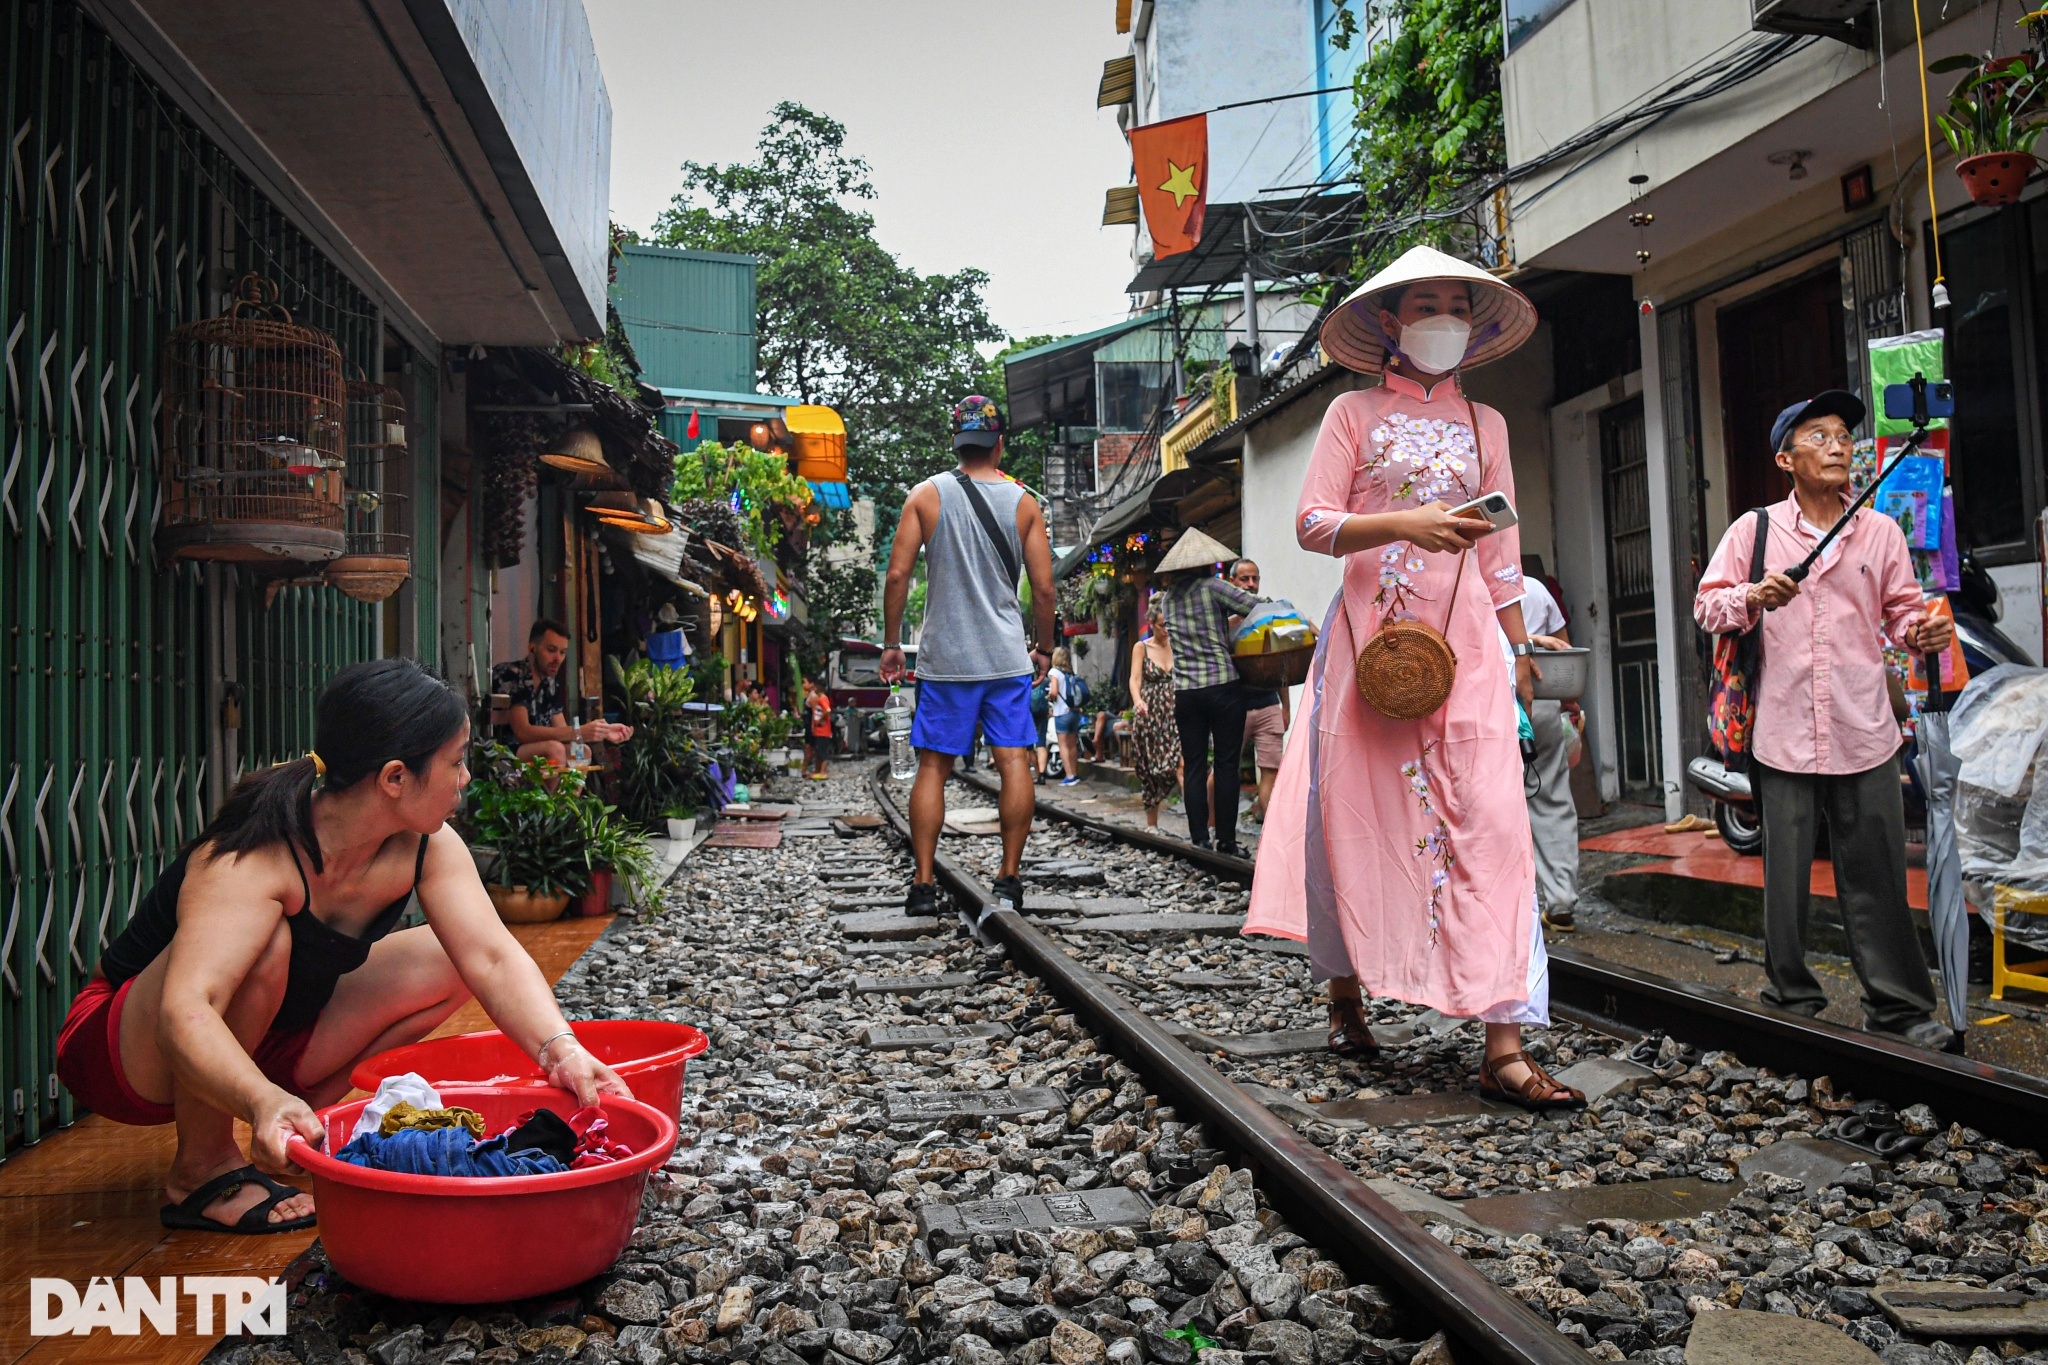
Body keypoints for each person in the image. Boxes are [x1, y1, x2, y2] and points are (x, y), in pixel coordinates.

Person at [52, 659, 630, 1233]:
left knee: (449, 958)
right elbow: (186, 1010)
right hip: (121, 1048)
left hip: (274, 1031)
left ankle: (306, 1116)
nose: (465, 779)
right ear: (395, 778)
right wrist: (257, 1100)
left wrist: (562, 1050)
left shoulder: (424, 844)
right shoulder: (255, 856)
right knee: (268, 945)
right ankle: (201, 1169)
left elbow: (492, 956)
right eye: (456, 762)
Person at [1243, 245, 1585, 1110]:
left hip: (1467, 648)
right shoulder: (1350, 414)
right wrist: (1408, 521)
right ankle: (1347, 989)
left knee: (1497, 825)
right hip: (1368, 649)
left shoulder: (1489, 427)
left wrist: (1521, 650)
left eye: (1458, 305)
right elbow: (1314, 522)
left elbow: (1502, 550)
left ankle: (1503, 1044)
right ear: (1390, 322)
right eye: (1425, 303)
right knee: (1352, 822)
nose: (1444, 318)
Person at [1694, 390, 1956, 1051]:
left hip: (1863, 726)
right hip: (1781, 731)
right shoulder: (1754, 531)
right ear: (1786, 458)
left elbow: (1900, 613)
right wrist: (1753, 595)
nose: (1838, 446)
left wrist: (1922, 630)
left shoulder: (1880, 531)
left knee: (1878, 876)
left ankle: (1897, 1008)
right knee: (1785, 880)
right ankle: (1791, 999)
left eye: (1844, 435)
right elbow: (1708, 607)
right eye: (1820, 437)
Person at [881, 395, 1055, 917]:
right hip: (1005, 658)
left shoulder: (926, 496)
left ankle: (923, 883)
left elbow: (897, 576)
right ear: (1000, 441)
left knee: (933, 767)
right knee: (1013, 761)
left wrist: (893, 643)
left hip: (946, 659)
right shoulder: (1024, 502)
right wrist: (1045, 648)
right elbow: (1044, 591)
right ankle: (1009, 879)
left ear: (955, 442)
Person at [1152, 528, 1263, 856]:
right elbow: (1254, 607)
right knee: (1227, 764)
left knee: (1196, 764)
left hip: (1186, 693)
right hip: (1222, 686)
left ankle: (1199, 837)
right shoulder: (1214, 588)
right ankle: (1226, 841)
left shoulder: (1167, 601)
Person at [1519, 573, 1581, 932]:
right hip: (1541, 705)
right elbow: (1565, 656)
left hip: (1489, 705)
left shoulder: (1470, 587)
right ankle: (1560, 900)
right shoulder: (1537, 589)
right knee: (1552, 798)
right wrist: (1571, 706)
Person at [493, 619, 630, 764]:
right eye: (551, 650)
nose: (557, 659)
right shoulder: (511, 674)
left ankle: (563, 788)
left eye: (562, 652)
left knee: (581, 752)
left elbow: (563, 730)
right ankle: (551, 788)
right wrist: (580, 731)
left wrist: (603, 731)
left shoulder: (550, 684)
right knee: (555, 749)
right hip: (505, 751)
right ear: (533, 648)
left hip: (537, 752)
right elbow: (523, 732)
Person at [1229, 559, 1291, 825]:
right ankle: (1210, 828)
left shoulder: (1270, 619)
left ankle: (1269, 838)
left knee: (1271, 773)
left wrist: (1285, 706)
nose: (1251, 584)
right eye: (1245, 579)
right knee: (1223, 769)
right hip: (1233, 708)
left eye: (1255, 578)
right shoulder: (1225, 625)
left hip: (1267, 705)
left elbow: (1280, 664)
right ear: (1233, 583)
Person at [1128, 601, 1181, 829]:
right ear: (1151, 624)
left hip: (1178, 712)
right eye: (1162, 625)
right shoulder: (1142, 647)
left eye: (1169, 624)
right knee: (1151, 772)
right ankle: (1152, 826)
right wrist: (1138, 700)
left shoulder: (1179, 645)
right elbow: (1135, 679)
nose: (1166, 630)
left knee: (1182, 765)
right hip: (1151, 714)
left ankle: (1198, 828)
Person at [1048, 647, 1083, 787]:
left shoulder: (1054, 672)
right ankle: (1074, 773)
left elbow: (1054, 692)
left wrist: (1049, 696)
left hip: (1061, 713)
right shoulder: (1070, 672)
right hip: (1074, 712)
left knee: (1063, 745)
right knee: (1072, 744)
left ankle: (1069, 776)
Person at [802, 676, 834, 780]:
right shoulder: (821, 698)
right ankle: (819, 771)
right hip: (819, 730)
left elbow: (827, 710)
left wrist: (820, 719)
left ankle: (823, 772)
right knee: (819, 751)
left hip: (822, 730)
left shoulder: (822, 698)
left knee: (821, 752)